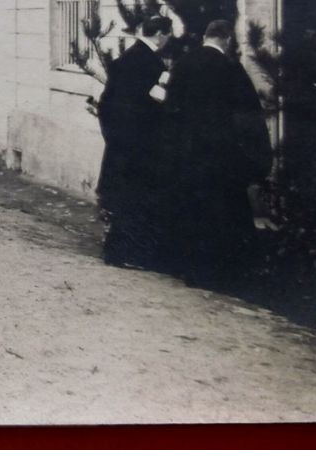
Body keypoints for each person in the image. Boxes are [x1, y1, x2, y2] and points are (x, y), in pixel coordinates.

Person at [166, 19, 271, 285]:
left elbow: (170, 109)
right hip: (220, 155)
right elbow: (248, 116)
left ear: (206, 36)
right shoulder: (229, 68)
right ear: (227, 39)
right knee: (224, 210)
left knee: (192, 208)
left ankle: (188, 267)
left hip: (189, 153)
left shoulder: (183, 64)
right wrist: (256, 157)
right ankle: (224, 271)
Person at [95, 15, 176, 271]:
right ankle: (127, 255)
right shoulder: (149, 63)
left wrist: (114, 138)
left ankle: (117, 252)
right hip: (140, 146)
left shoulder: (126, 59)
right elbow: (150, 107)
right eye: (169, 35)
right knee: (136, 200)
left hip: (122, 145)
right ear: (161, 34)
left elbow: (106, 105)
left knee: (125, 200)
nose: (169, 40)